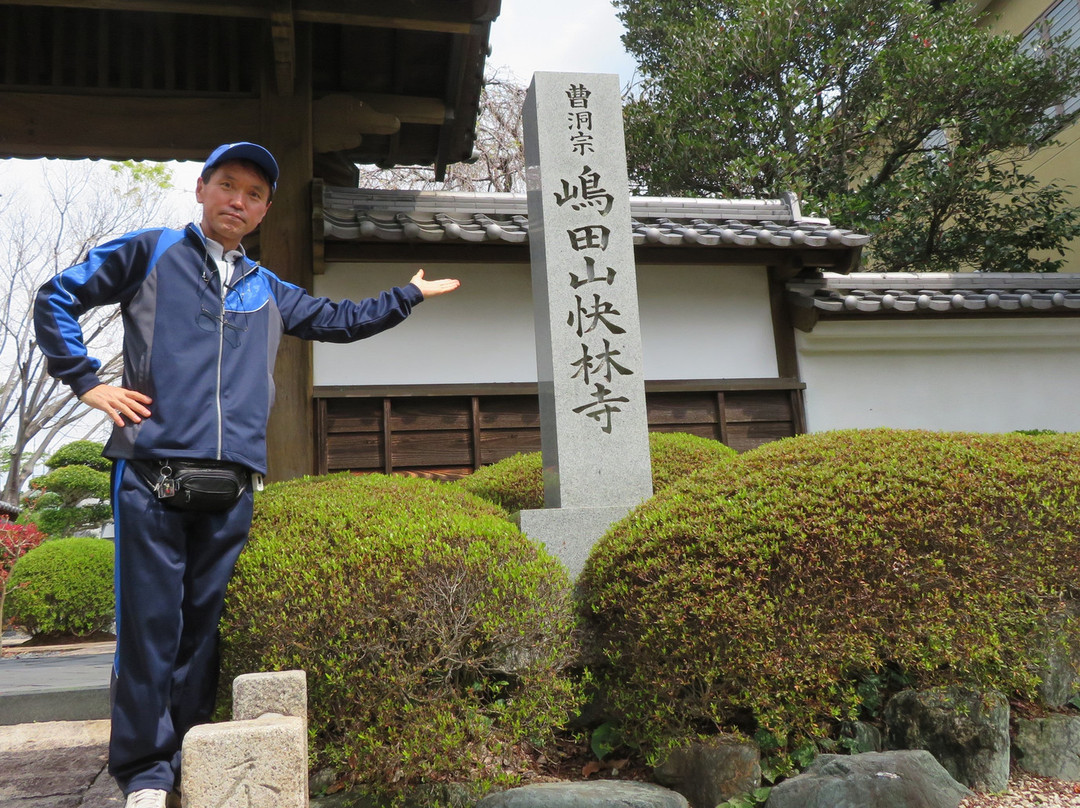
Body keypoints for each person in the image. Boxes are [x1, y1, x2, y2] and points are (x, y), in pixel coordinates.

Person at [33, 142, 460, 808]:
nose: (239, 201)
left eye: (254, 195)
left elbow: (340, 321)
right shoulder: (149, 254)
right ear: (202, 189)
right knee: (150, 627)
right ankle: (144, 773)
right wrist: (87, 382)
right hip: (152, 472)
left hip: (230, 482)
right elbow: (56, 295)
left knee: (202, 630)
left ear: (264, 210)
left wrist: (407, 295)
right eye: (228, 186)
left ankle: (189, 752)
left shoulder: (269, 288)